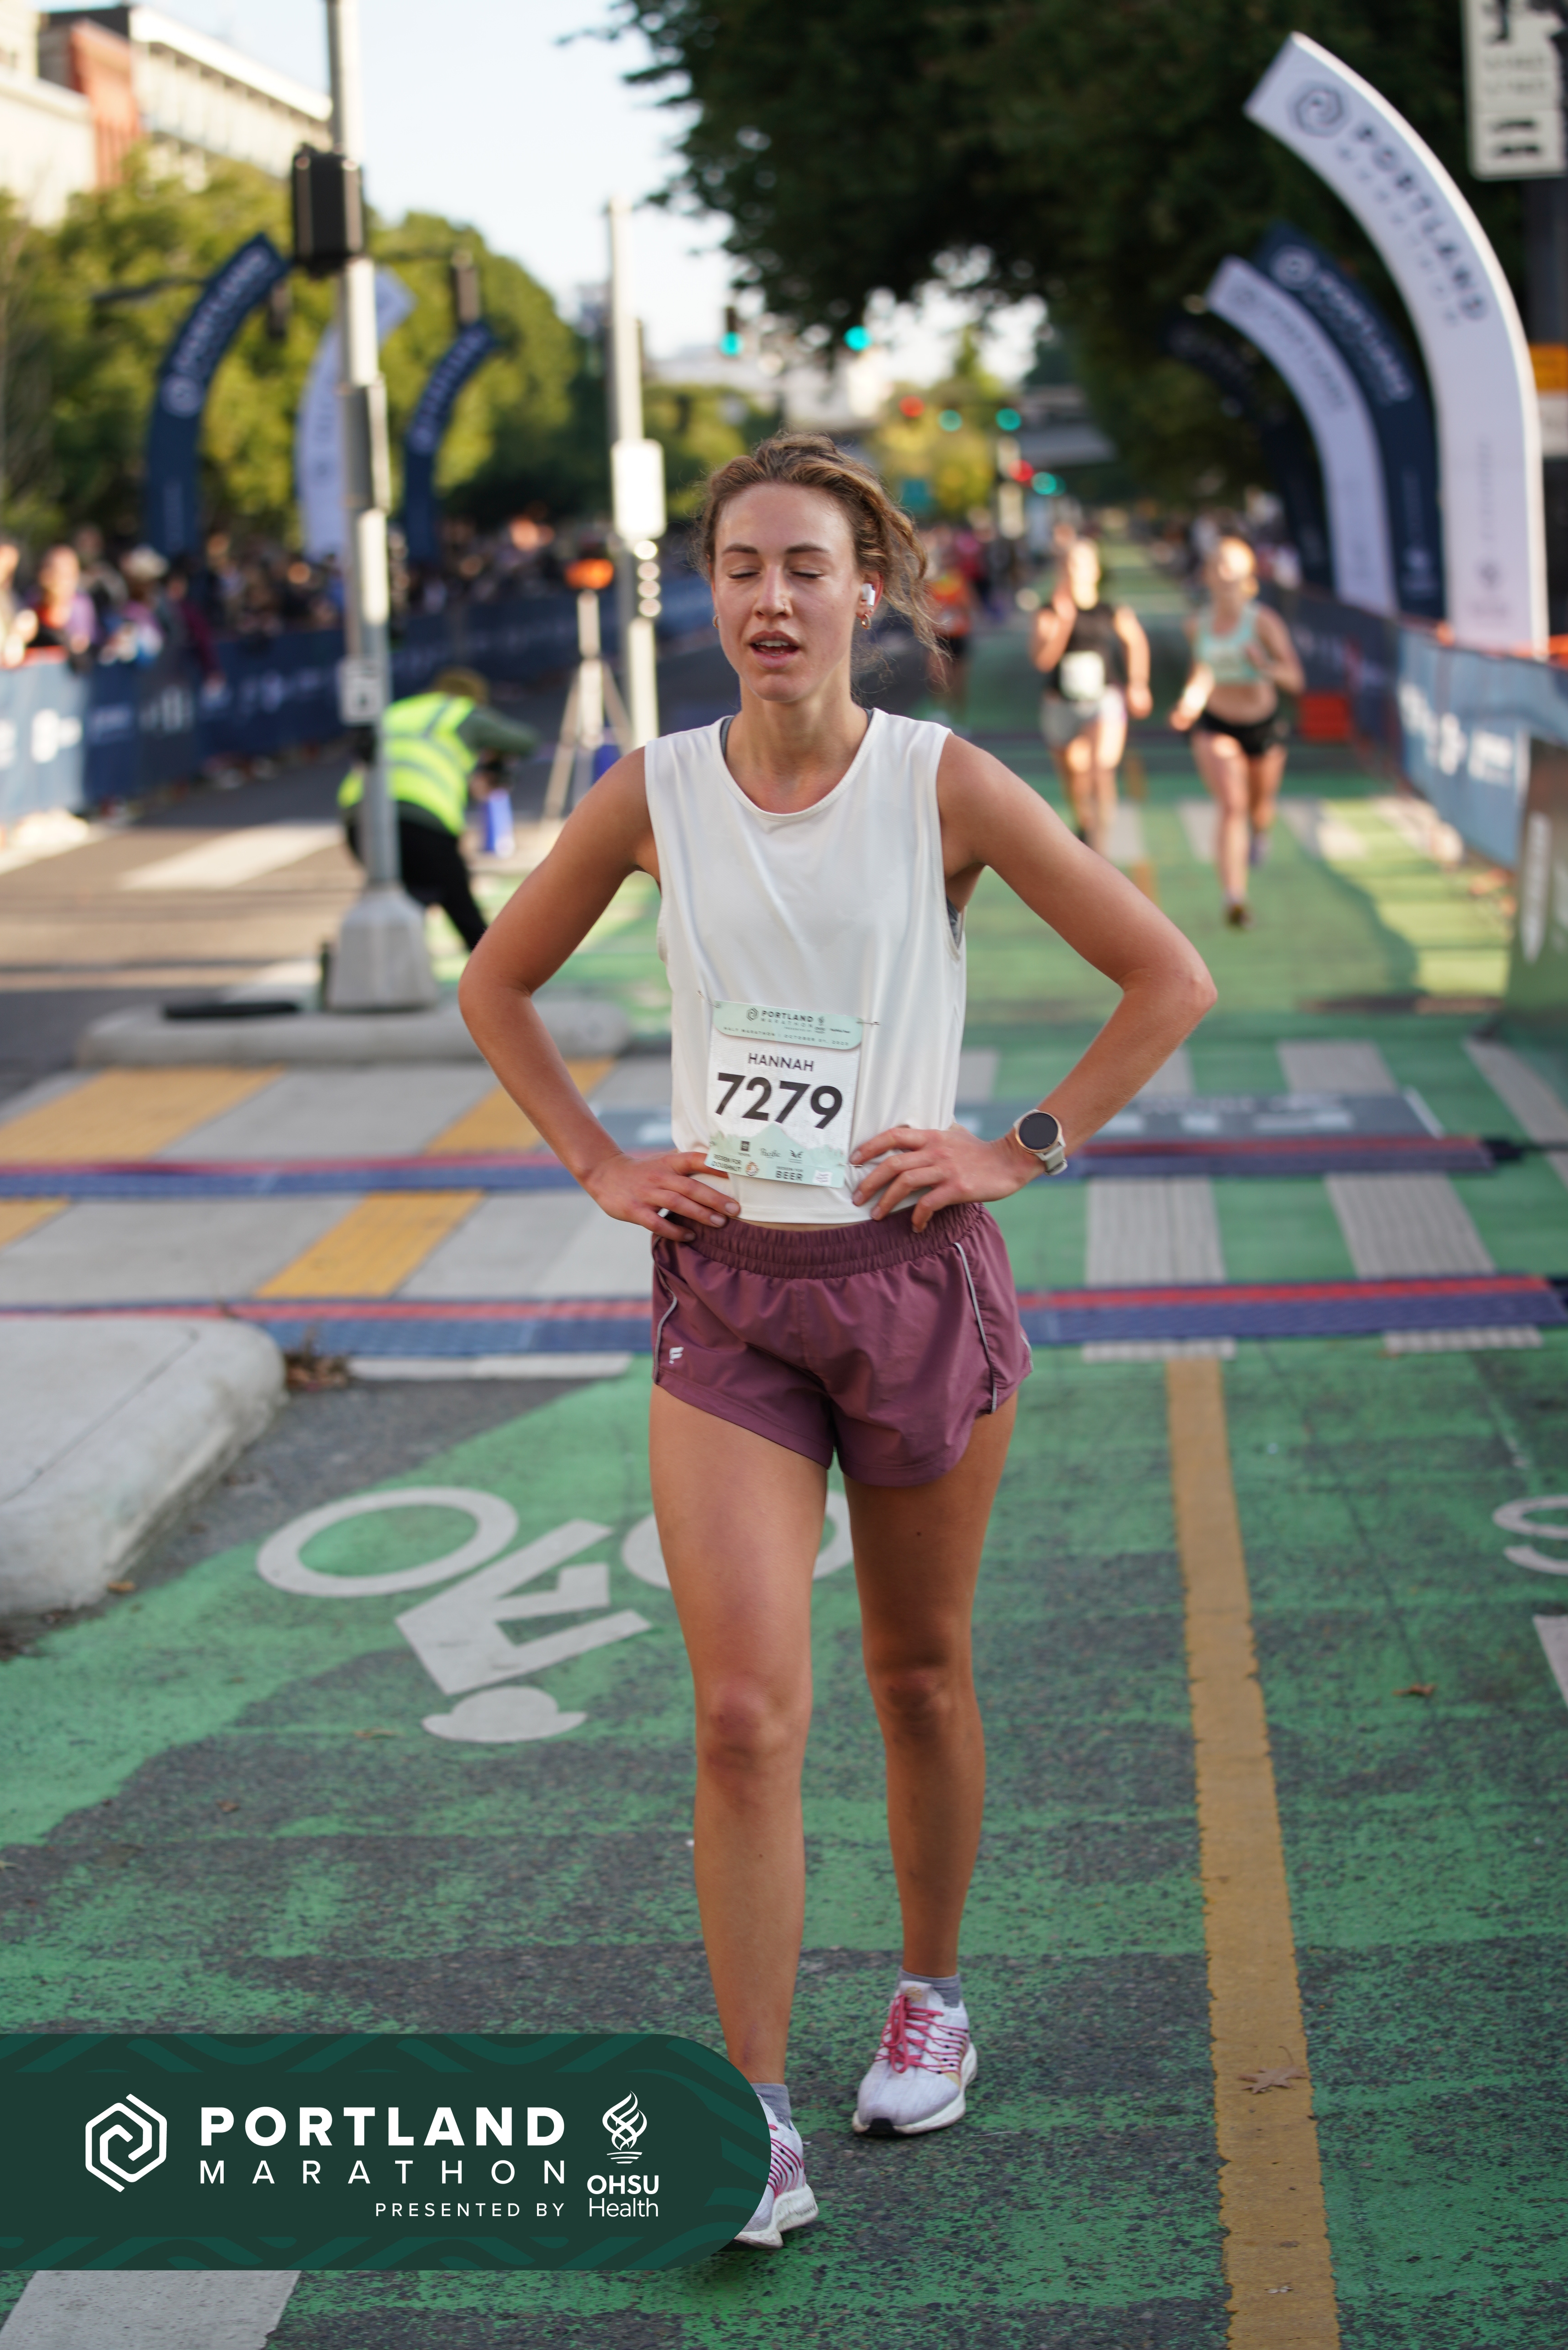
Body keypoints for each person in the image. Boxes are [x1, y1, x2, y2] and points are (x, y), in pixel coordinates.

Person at [457, 432, 1213, 2251]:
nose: (772, 600)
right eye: (740, 568)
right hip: (726, 1292)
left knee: (916, 1671)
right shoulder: (653, 789)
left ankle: (929, 1990)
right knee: (740, 1710)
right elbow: (497, 981)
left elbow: (1164, 974)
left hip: (911, 1282)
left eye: (805, 566)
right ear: (705, 593)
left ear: (866, 589)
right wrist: (600, 1161)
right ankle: (753, 2112)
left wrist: (1015, 1146)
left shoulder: (942, 782)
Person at [339, 667, 539, 952]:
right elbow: (525, 741)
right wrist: (493, 756)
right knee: (460, 905)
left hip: (360, 818)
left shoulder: (399, 711)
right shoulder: (462, 712)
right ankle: (497, 969)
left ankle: (378, 968)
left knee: (408, 898)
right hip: (421, 818)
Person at [1169, 534, 1306, 927]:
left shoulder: (1263, 622)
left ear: (1249, 576)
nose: (1225, 573)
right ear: (1208, 575)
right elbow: (1202, 673)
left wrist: (1265, 667)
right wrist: (1188, 704)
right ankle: (1235, 897)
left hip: (1262, 724)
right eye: (1217, 565)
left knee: (1260, 808)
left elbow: (1295, 679)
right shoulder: (1196, 625)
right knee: (1232, 805)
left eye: (1233, 565)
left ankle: (1260, 834)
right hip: (1216, 724)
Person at [1029, 537, 1151, 854]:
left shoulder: (1111, 610)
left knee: (1100, 770)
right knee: (1074, 776)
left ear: (1095, 570)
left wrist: (1138, 684)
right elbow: (1042, 660)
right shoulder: (1049, 612)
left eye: (1082, 564)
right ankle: (1084, 821)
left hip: (1103, 701)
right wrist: (1064, 622)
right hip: (1061, 704)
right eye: (1069, 564)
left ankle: (1100, 848)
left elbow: (1136, 642)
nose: (1075, 571)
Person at [923, 529, 978, 720]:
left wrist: (956, 607)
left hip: (958, 635)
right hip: (938, 636)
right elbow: (924, 609)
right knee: (938, 677)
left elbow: (970, 607)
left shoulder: (961, 581)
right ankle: (941, 714)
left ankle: (959, 717)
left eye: (949, 559)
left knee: (958, 681)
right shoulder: (930, 583)